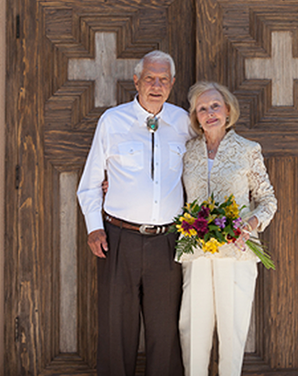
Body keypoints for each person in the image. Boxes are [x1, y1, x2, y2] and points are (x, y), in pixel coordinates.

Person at [77, 50, 191, 376]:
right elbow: (90, 183)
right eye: (150, 79)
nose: (156, 85)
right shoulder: (113, 121)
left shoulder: (183, 122)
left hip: (168, 242)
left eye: (163, 80)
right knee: (116, 330)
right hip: (118, 240)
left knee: (165, 332)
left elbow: (199, 168)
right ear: (136, 81)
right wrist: (93, 228)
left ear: (172, 84)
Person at [178, 81, 277, 376]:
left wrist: (250, 224)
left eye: (215, 106)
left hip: (237, 252)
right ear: (195, 117)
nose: (209, 113)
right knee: (192, 329)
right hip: (196, 252)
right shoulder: (186, 151)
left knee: (232, 332)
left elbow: (267, 200)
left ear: (228, 110)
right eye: (202, 108)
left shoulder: (247, 150)